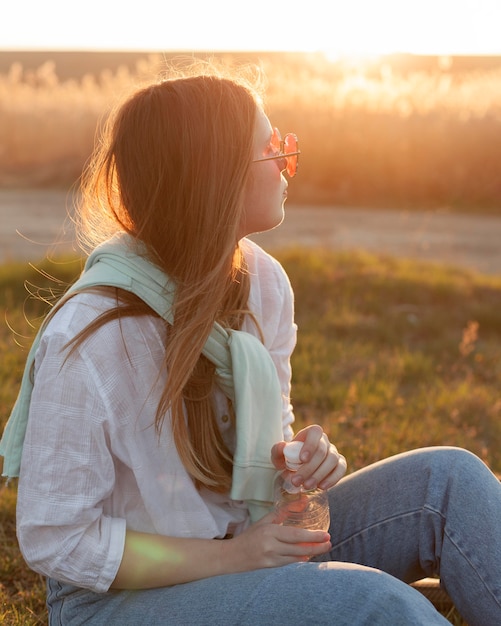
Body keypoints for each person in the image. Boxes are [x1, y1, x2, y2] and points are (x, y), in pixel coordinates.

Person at [1, 66, 500, 626]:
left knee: (450, 481)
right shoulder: (91, 336)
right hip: (118, 601)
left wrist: (303, 459)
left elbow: (266, 445)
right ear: (218, 179)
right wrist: (233, 557)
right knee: (375, 604)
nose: (291, 164)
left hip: (252, 541)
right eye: (274, 150)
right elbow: (57, 538)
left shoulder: (264, 283)